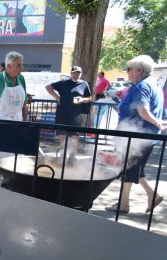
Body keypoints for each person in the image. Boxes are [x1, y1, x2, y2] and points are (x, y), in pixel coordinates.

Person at [105, 55, 165, 214]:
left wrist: (157, 123)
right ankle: (152, 195)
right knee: (136, 169)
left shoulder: (141, 86)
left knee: (128, 168)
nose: (127, 73)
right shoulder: (154, 84)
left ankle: (123, 204)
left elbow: (143, 111)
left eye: (130, 69)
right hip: (144, 136)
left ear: (140, 70)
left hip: (136, 136)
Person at [0, 51, 29, 185]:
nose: (22, 68)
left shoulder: (21, 79)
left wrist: (25, 121)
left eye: (21, 65)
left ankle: (11, 184)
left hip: (17, 122)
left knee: (15, 154)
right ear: (9, 67)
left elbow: (24, 102)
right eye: (18, 65)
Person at [45, 66, 93, 152]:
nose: (76, 75)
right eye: (74, 73)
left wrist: (82, 99)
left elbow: (90, 98)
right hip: (62, 112)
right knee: (62, 134)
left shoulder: (84, 84)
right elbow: (48, 87)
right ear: (71, 74)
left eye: (78, 73)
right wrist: (57, 97)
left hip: (76, 114)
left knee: (75, 135)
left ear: (81, 74)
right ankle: (63, 154)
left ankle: (72, 154)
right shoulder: (63, 82)